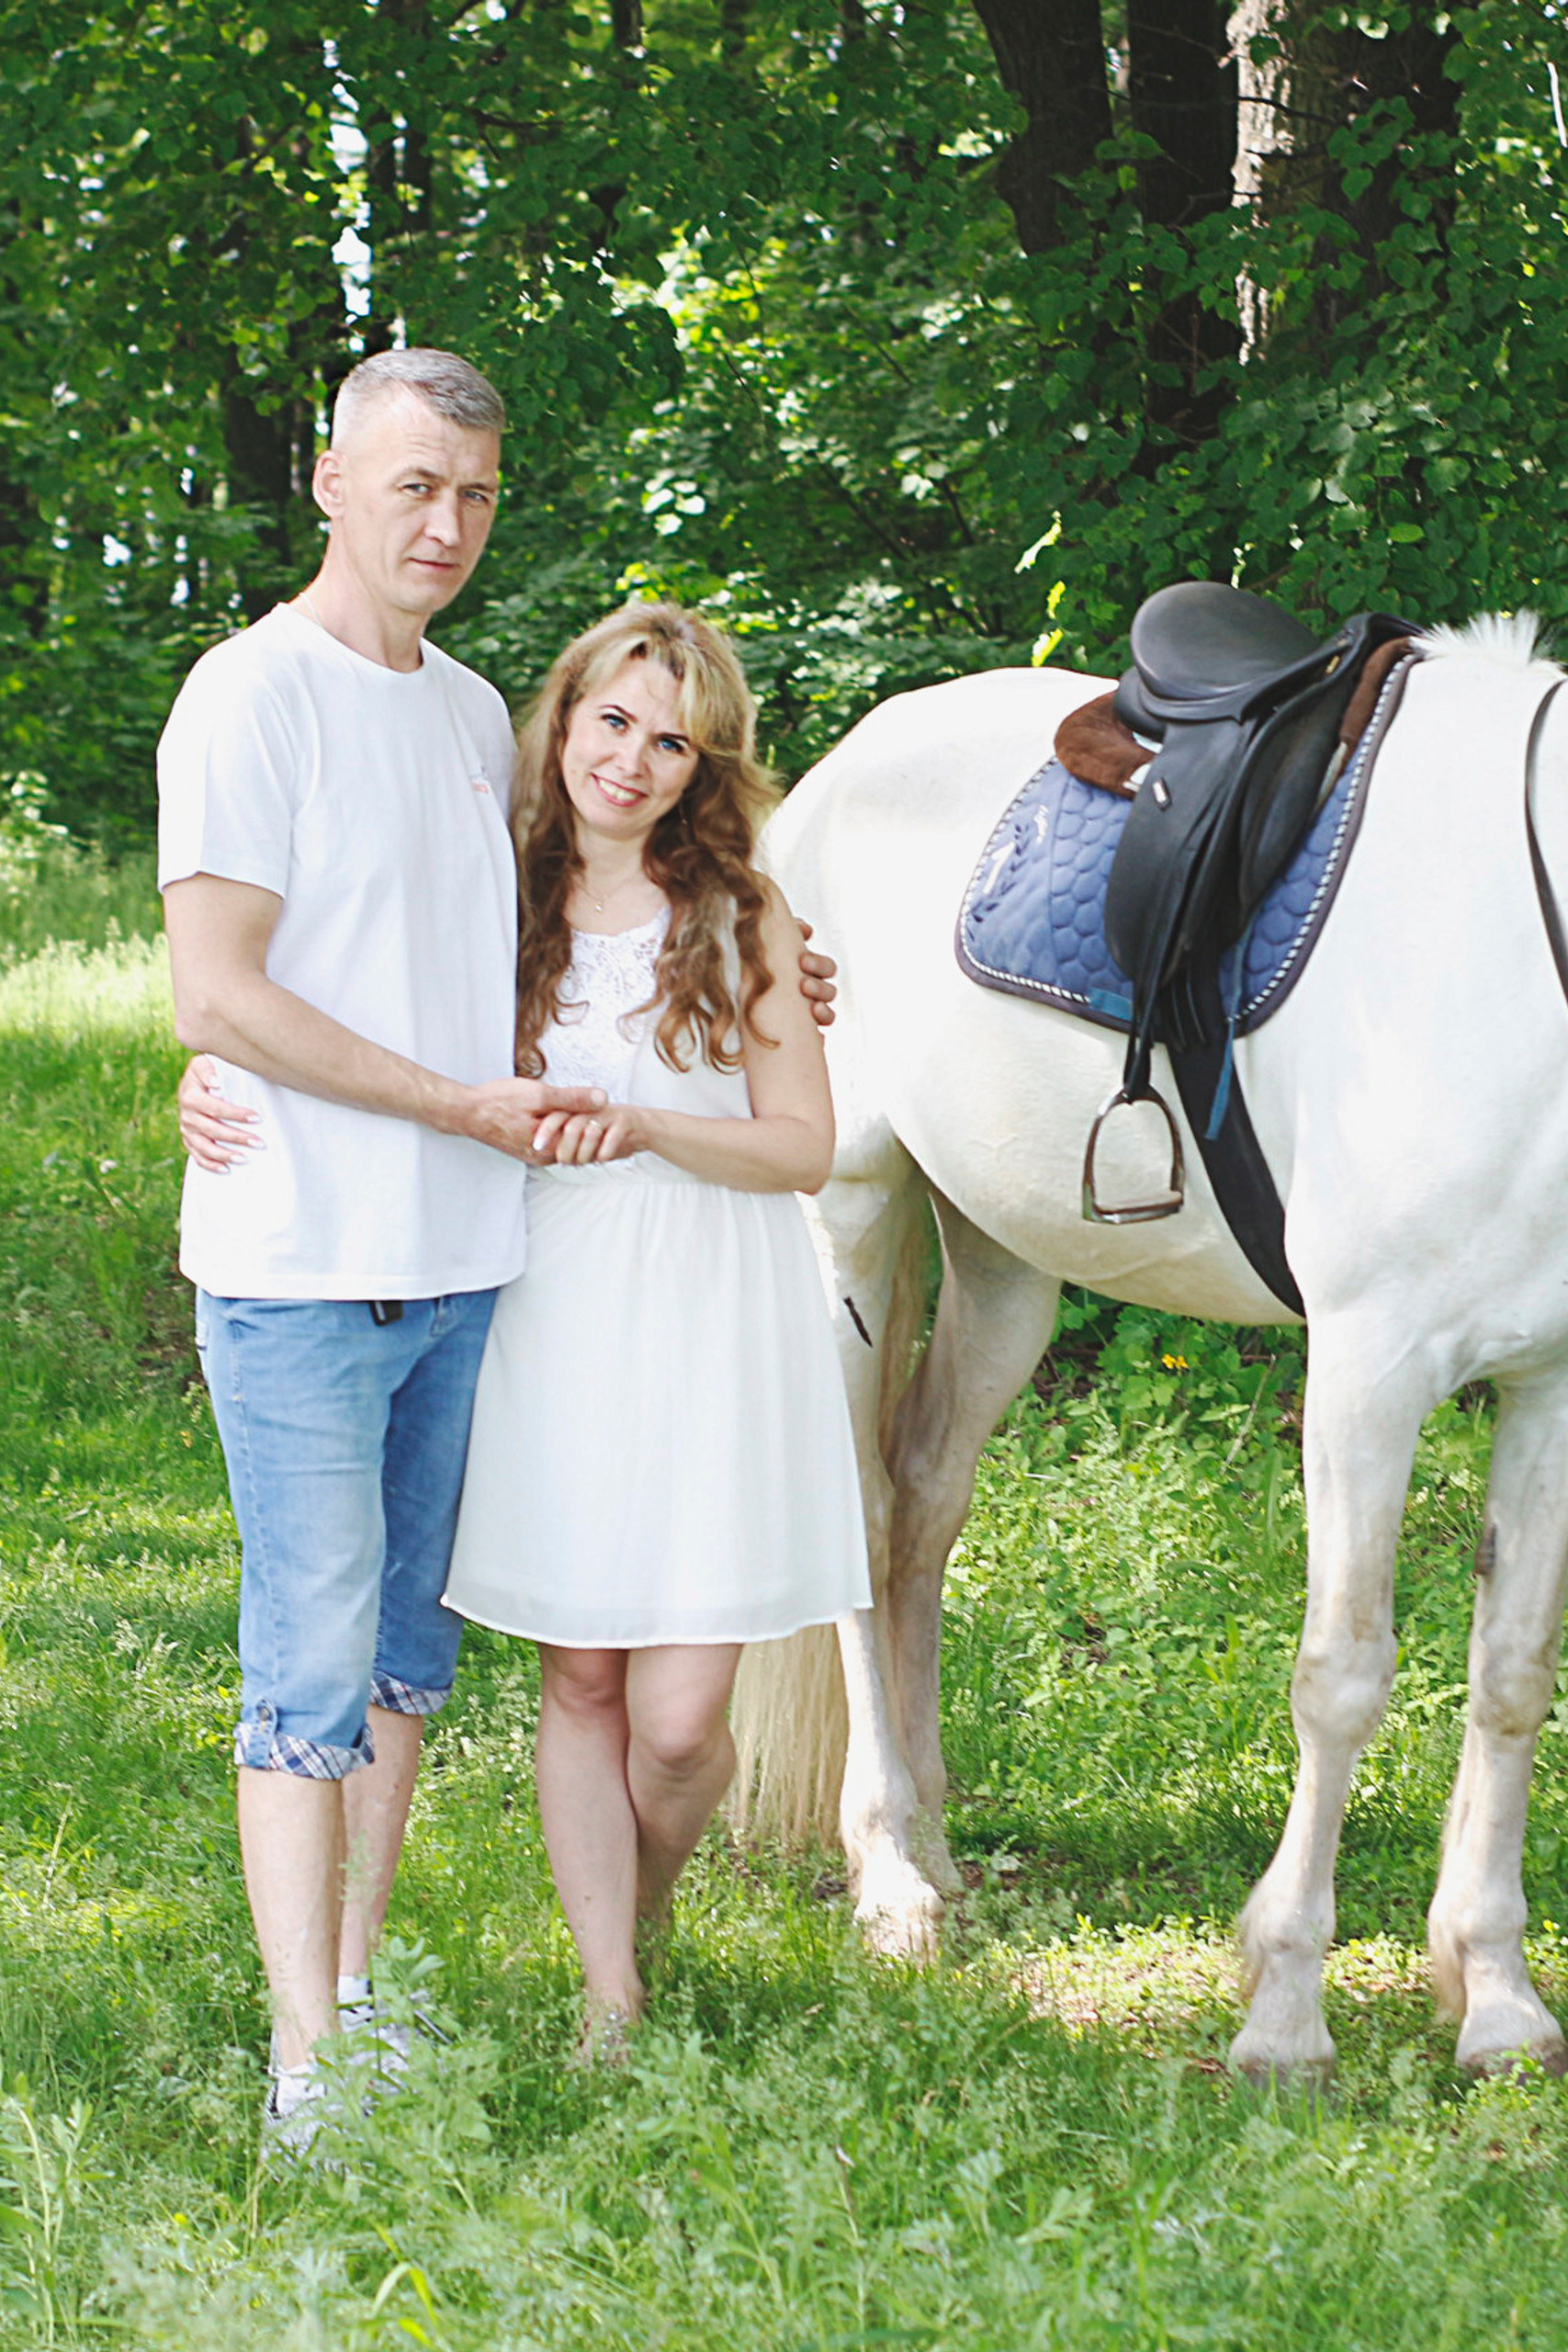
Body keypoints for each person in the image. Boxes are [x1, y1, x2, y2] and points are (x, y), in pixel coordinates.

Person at [159, 348, 831, 2154]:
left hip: (471, 1269)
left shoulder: (469, 719)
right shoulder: (249, 695)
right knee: (314, 1653)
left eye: (470, 494)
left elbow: (495, 932)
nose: (442, 522)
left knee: (399, 1663)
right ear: (327, 479)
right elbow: (217, 978)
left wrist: (786, 965)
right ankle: (311, 2064)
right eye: (410, 487)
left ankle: (359, 1993)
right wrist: (216, 1071)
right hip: (310, 1260)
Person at [437, 601, 866, 2055]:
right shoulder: (483, 895)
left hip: (713, 1306)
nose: (629, 758)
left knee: (680, 1722)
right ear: (563, 720)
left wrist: (649, 1130)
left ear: (701, 770)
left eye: (669, 741)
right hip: (552, 1303)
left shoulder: (743, 914)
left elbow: (802, 1145)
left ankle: (651, 1900)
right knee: (581, 1672)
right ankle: (608, 1993)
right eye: (611, 720)